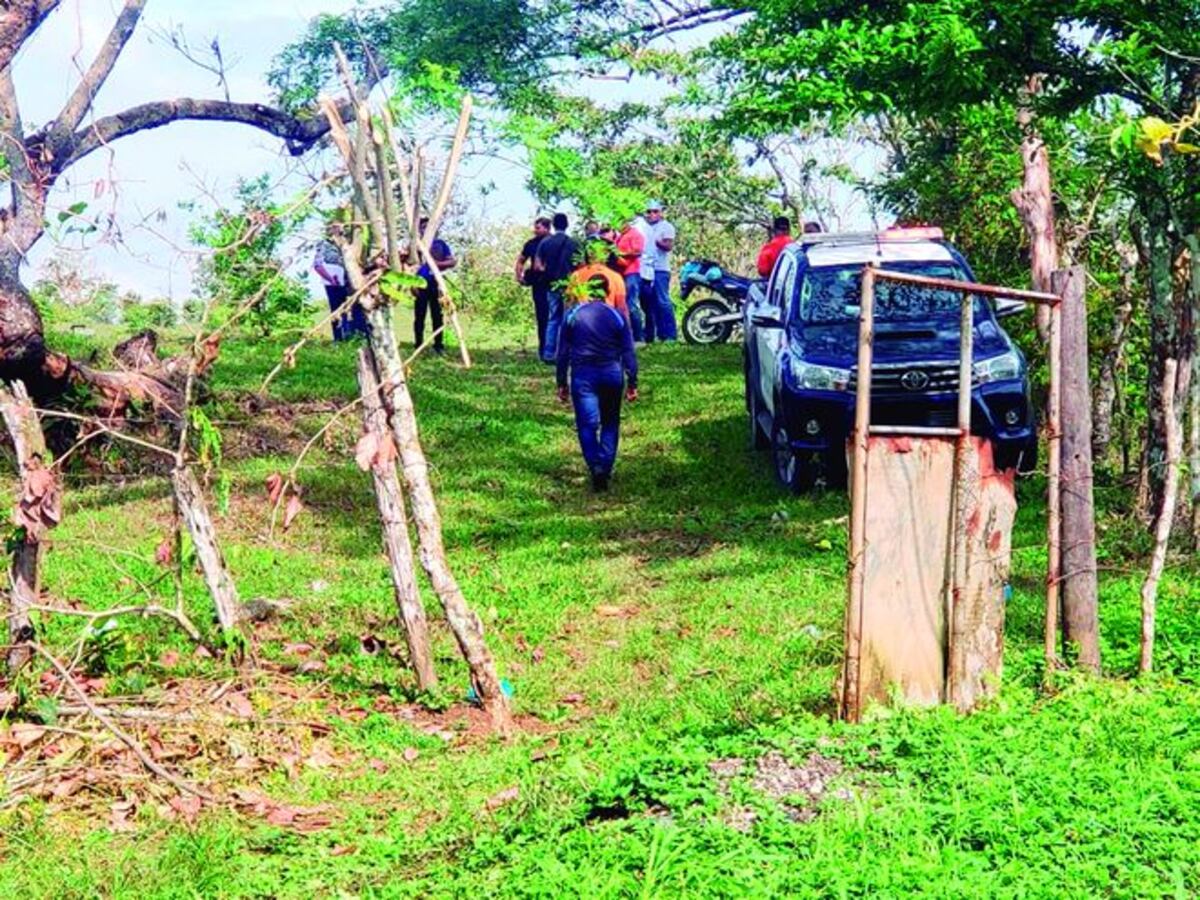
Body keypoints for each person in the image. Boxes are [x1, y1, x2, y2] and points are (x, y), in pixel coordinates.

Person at [556, 278, 639, 492]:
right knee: (610, 422)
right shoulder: (617, 316)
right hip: (611, 374)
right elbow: (628, 351)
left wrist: (561, 382)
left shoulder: (572, 315)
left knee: (587, 425)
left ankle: (595, 466)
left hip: (583, 376)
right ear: (607, 292)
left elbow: (562, 352)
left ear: (587, 291)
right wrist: (632, 380)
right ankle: (605, 466)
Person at [533, 212, 579, 364]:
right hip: (569, 286)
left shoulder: (545, 243)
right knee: (569, 319)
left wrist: (547, 270)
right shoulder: (573, 243)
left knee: (553, 319)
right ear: (567, 225)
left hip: (551, 284)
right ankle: (566, 353)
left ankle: (549, 353)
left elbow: (537, 266)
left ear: (553, 225)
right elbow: (580, 265)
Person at [312, 222, 369, 341]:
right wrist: (330, 279)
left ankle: (358, 336)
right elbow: (318, 265)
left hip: (350, 279)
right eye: (335, 228)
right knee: (337, 309)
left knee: (358, 306)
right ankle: (339, 338)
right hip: (334, 281)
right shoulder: (324, 244)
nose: (339, 230)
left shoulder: (348, 243)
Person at [413, 216, 456, 354]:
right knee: (419, 316)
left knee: (437, 316)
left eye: (428, 227)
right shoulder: (415, 245)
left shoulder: (440, 244)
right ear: (419, 230)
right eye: (423, 227)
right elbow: (408, 265)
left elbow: (452, 262)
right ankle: (418, 345)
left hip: (436, 285)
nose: (425, 230)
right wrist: (411, 285)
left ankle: (438, 346)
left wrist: (438, 264)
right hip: (419, 286)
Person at [515, 216, 552, 355]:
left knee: (555, 317)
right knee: (542, 316)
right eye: (535, 228)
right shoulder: (531, 244)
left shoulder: (554, 242)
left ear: (547, 228)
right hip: (538, 285)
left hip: (554, 284)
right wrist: (519, 276)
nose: (535, 230)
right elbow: (521, 260)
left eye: (538, 228)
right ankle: (543, 347)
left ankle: (555, 348)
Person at [567, 239, 628, 321]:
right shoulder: (616, 277)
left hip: (582, 321)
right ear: (606, 254)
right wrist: (628, 327)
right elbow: (622, 308)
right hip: (607, 321)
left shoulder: (576, 275)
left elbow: (569, 304)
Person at [644, 200, 678, 342]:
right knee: (648, 303)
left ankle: (670, 334)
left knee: (663, 301)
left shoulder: (666, 227)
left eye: (655, 211)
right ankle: (650, 335)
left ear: (660, 212)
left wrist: (657, 242)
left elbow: (668, 246)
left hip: (660, 269)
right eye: (649, 211)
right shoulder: (643, 227)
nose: (652, 214)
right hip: (645, 269)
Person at [614, 215, 646, 341]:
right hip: (620, 273)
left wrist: (621, 254)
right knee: (621, 304)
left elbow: (638, 251)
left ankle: (638, 336)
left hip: (631, 272)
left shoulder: (635, 234)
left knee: (632, 304)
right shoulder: (619, 236)